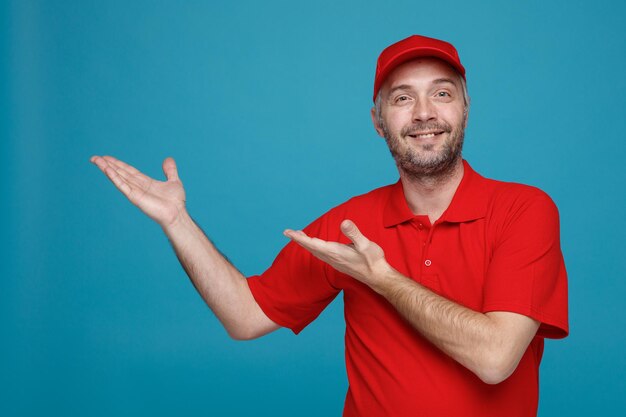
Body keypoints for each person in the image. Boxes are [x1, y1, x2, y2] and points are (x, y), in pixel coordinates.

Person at [91, 35, 568, 417]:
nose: (425, 112)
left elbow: (495, 358)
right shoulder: (351, 224)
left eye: (442, 93)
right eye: (403, 98)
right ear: (378, 122)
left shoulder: (523, 211)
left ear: (465, 108)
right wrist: (178, 222)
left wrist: (381, 279)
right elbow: (246, 315)